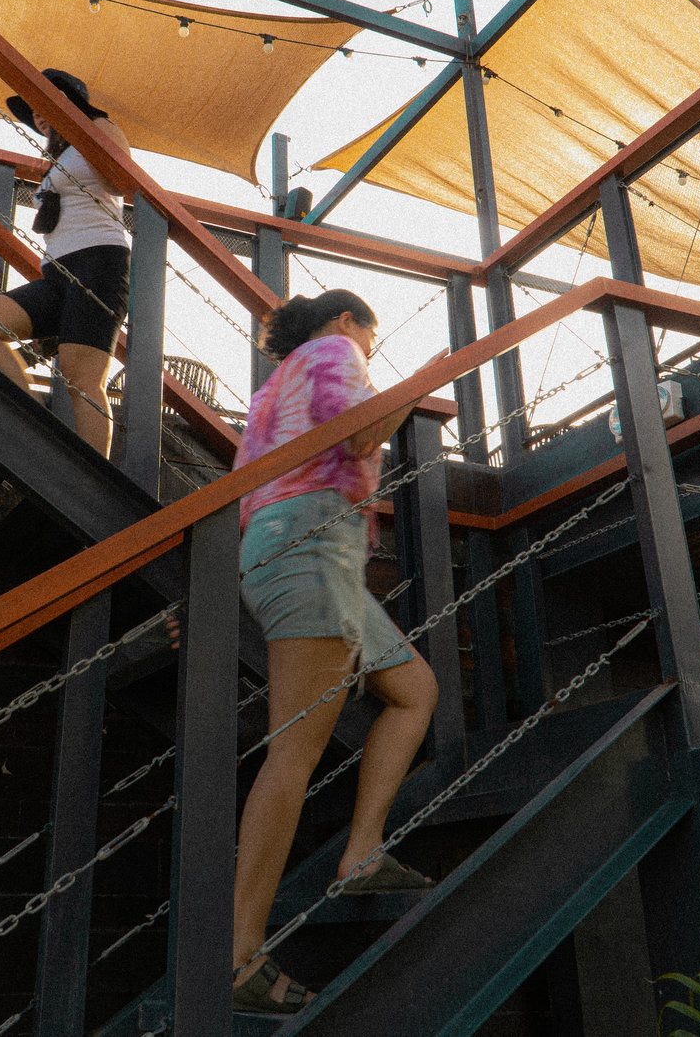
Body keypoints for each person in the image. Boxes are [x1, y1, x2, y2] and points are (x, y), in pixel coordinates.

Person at [231, 289, 442, 1016]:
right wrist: (421, 384)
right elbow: (358, 436)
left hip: (304, 544)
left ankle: (361, 853)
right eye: (370, 339)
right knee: (293, 750)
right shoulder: (333, 351)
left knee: (414, 688)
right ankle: (239, 959)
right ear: (350, 319)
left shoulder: (273, 385)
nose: (369, 355)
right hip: (313, 540)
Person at [0, 68, 132, 458]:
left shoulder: (100, 127)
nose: (37, 114)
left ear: (68, 101)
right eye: (32, 109)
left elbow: (121, 181)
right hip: (58, 273)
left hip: (99, 262)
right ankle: (31, 425)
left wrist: (80, 128)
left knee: (81, 380)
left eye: (44, 102)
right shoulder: (58, 157)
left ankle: (93, 474)